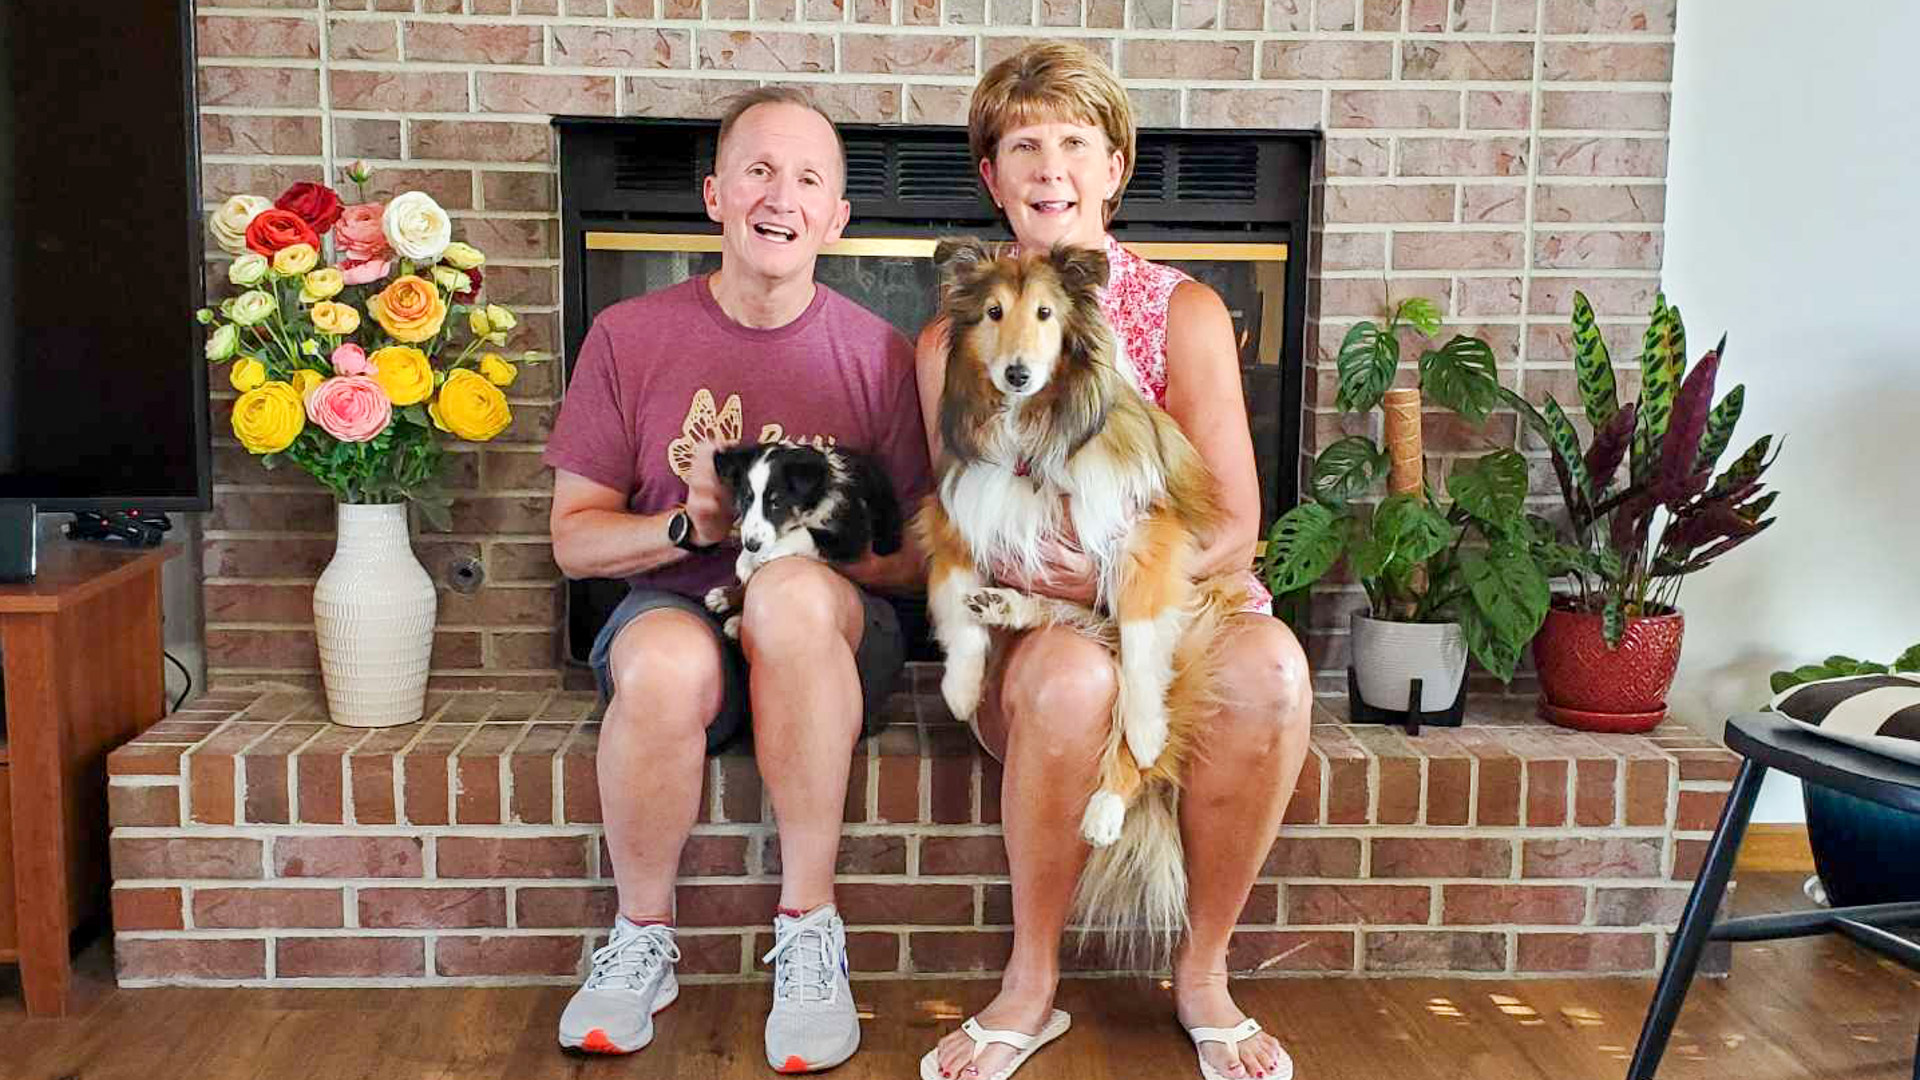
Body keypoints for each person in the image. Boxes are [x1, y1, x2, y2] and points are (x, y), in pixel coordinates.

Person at [913, 43, 1314, 1080]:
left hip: (1176, 596)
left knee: (1273, 671)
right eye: (1023, 146)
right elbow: (971, 525)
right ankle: (1030, 983)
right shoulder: (951, 341)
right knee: (1068, 678)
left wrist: (1108, 582)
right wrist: (1052, 588)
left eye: (1075, 143)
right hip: (1037, 619)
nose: (1051, 167)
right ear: (992, 176)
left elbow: (1234, 527)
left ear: (1114, 168)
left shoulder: (1185, 311)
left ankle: (1205, 974)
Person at [543, 87, 931, 1072]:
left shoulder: (880, 355)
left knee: (787, 599)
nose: (780, 196)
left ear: (837, 218)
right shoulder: (628, 335)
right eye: (758, 170)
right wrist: (689, 525)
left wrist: (812, 547)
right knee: (661, 666)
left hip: (831, 626)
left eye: (808, 180)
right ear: (716, 195)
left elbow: (927, 550)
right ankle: (641, 940)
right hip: (681, 605)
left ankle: (808, 932)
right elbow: (573, 543)